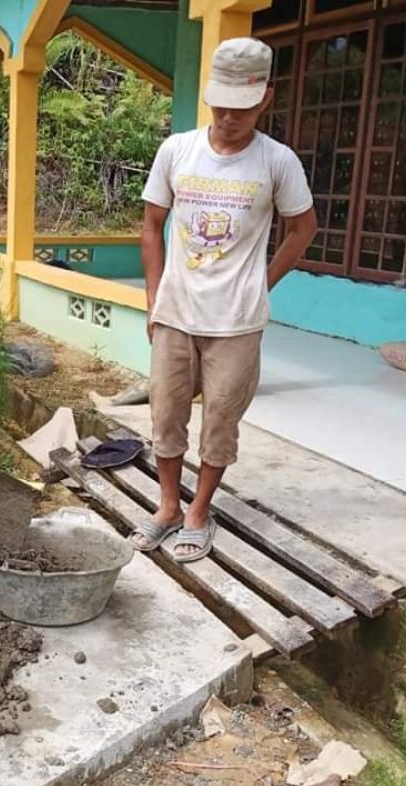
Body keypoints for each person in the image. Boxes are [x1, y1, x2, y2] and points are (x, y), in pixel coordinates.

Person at [134, 38, 317, 562]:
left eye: (242, 108)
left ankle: (199, 511)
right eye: (221, 105)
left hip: (236, 322)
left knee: (220, 421)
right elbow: (151, 225)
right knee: (166, 415)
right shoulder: (177, 151)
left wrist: (262, 281)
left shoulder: (277, 162)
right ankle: (168, 506)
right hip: (175, 313)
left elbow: (303, 228)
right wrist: (153, 298)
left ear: (266, 99)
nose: (229, 117)